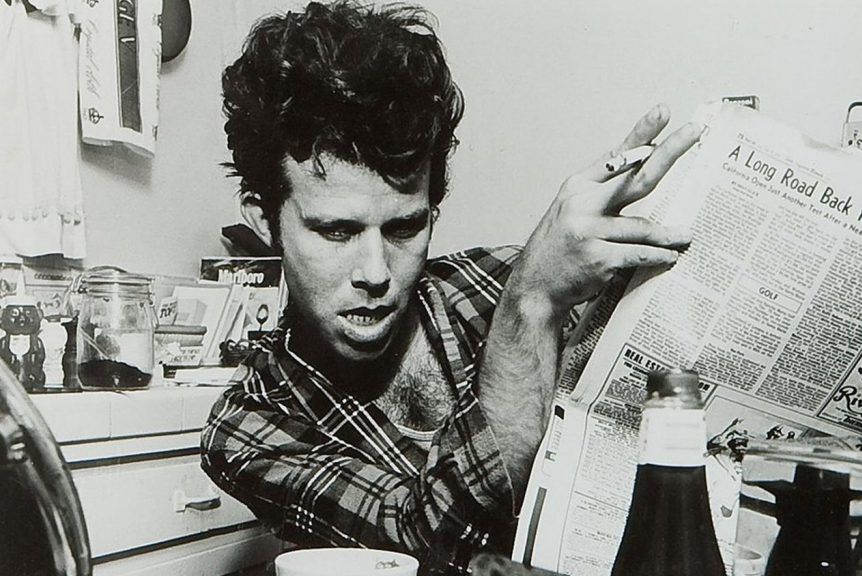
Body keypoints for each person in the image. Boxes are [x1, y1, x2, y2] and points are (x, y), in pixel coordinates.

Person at [199, 1, 697, 574]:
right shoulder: (248, 426)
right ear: (264, 221)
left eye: (405, 228)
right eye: (337, 231)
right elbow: (420, 542)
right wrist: (530, 307)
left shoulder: (501, 281)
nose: (376, 272)